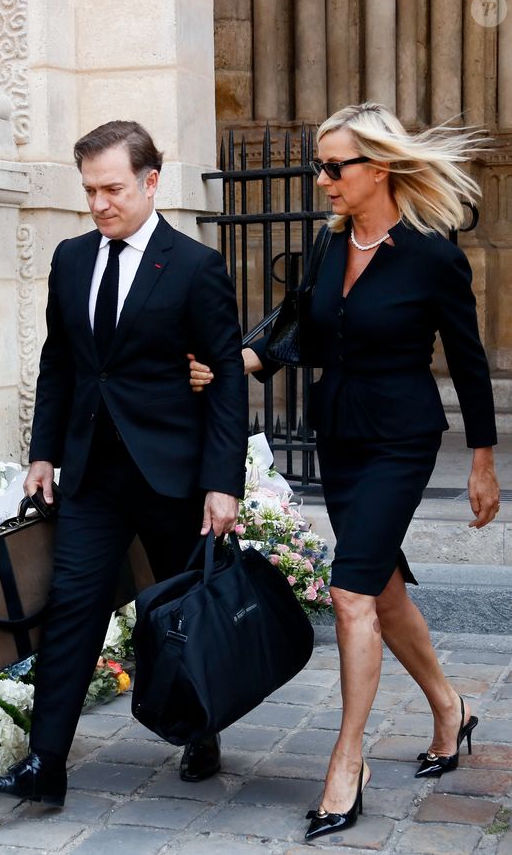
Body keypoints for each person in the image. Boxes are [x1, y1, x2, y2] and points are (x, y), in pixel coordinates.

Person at [188, 102, 500, 842]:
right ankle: (451, 708)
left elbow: (470, 361)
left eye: (334, 166)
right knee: (382, 589)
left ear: (380, 166)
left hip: (401, 437)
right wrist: (237, 365)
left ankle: (346, 760)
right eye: (318, 165)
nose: (321, 178)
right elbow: (297, 327)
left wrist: (483, 462)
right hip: (341, 437)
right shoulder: (328, 247)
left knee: (351, 589)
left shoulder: (431, 253)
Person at [0, 120, 248, 806]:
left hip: (173, 474)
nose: (98, 202)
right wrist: (43, 453)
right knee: (72, 608)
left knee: (181, 613)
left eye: (112, 188)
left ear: (151, 182)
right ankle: (47, 764)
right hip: (93, 474)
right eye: (89, 189)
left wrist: (222, 483)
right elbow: (60, 362)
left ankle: (200, 731)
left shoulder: (194, 267)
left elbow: (227, 380)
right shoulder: (70, 259)